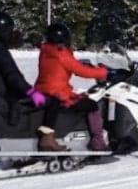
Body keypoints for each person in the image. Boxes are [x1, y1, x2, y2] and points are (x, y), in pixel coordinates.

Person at [33, 22, 110, 152]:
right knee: (92, 104)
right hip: (59, 93)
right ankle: (98, 141)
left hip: (43, 91)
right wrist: (104, 71)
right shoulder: (61, 54)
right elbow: (82, 71)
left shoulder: (46, 52)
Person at [0, 11, 48, 110]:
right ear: (2, 31)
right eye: (9, 31)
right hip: (6, 103)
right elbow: (13, 76)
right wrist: (31, 92)